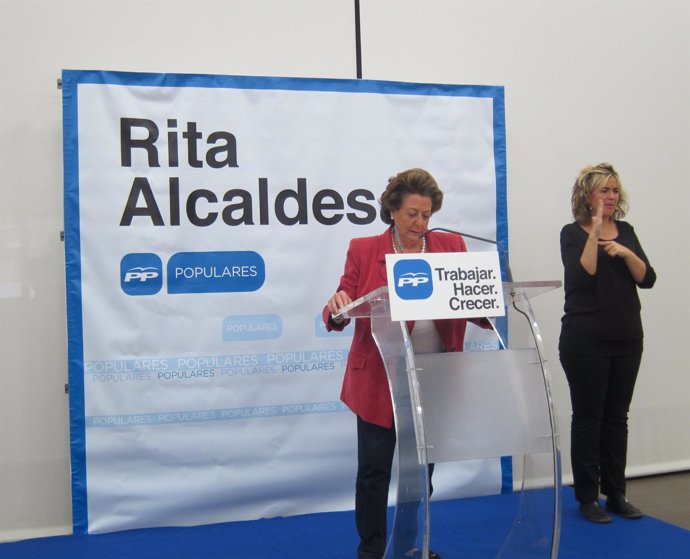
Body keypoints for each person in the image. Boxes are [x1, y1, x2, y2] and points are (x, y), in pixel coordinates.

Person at [323, 168, 490, 559]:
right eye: (413, 214)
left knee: (421, 475)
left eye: (427, 215)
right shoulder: (364, 249)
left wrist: (489, 302)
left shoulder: (450, 247)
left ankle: (410, 545)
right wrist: (337, 311)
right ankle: (372, 550)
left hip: (433, 377)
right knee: (374, 473)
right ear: (393, 211)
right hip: (381, 377)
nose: (421, 223)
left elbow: (473, 304)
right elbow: (342, 304)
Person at [558, 162, 656, 524]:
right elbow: (584, 276)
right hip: (585, 341)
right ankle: (587, 497)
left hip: (627, 337)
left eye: (615, 190)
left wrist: (627, 253)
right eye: (604, 190)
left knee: (617, 418)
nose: (611, 197)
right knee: (588, 417)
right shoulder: (571, 233)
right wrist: (596, 230)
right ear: (588, 195)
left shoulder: (627, 231)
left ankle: (616, 493)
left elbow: (648, 279)